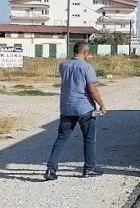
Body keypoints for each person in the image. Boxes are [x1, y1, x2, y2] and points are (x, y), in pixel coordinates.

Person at [44, 42, 106, 180]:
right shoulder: (87, 67)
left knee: (61, 138)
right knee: (89, 139)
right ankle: (89, 168)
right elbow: (92, 89)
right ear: (85, 53)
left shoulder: (63, 65)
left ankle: (51, 169)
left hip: (66, 107)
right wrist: (101, 104)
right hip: (85, 108)